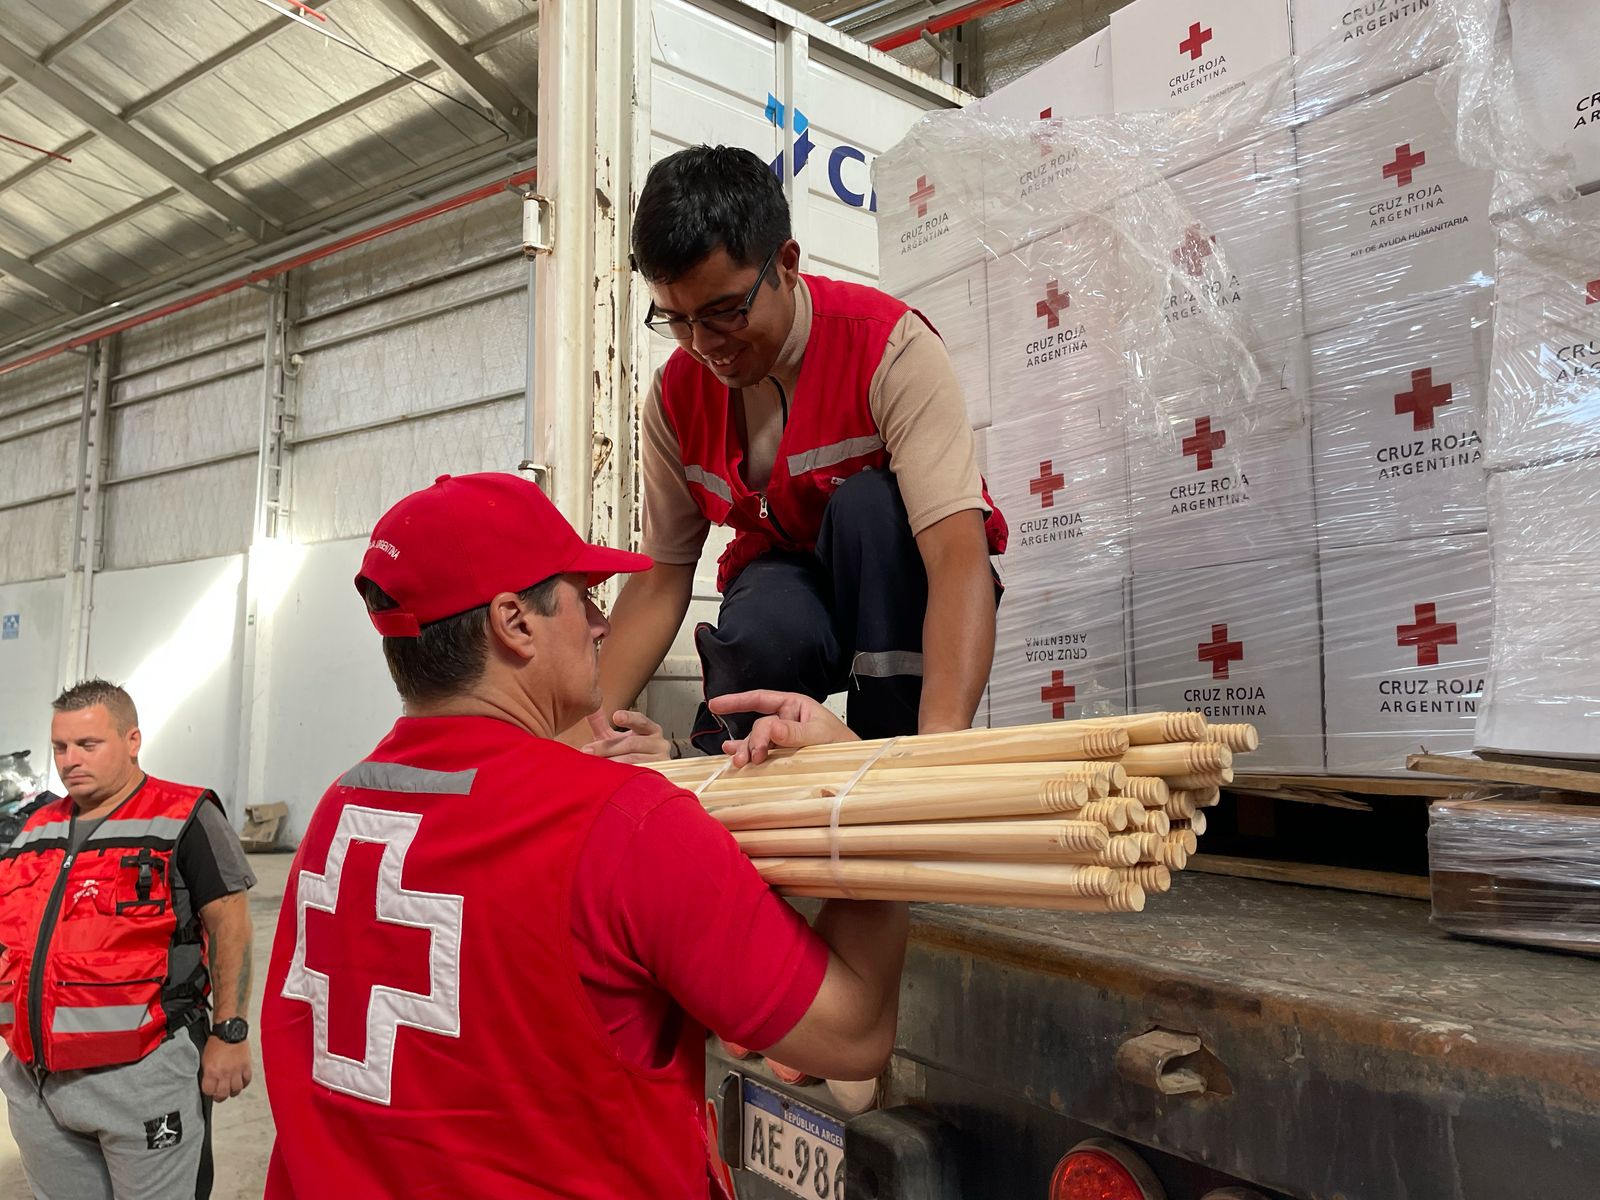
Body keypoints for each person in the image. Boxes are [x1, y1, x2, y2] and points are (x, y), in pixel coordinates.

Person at [259, 472, 907, 1199]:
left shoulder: (336, 815)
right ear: (515, 622)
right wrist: (860, 784)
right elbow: (852, 1035)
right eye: (583, 596)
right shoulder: (624, 826)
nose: (602, 624)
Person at [578, 144, 1008, 762]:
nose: (704, 345)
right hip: (792, 581)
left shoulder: (890, 349)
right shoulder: (676, 395)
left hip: (894, 580)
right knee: (764, 625)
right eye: (677, 319)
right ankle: (740, 771)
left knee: (870, 508)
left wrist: (937, 754)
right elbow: (661, 578)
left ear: (786, 264)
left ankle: (898, 752)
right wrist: (583, 737)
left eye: (724, 312)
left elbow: (955, 556)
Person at [0, 680, 256, 1200]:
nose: (70, 760)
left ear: (132, 740)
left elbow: (230, 923)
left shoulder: (185, 816)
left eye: (87, 744)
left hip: (144, 1076)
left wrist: (229, 1033)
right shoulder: (34, 830)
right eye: (60, 747)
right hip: (36, 1082)